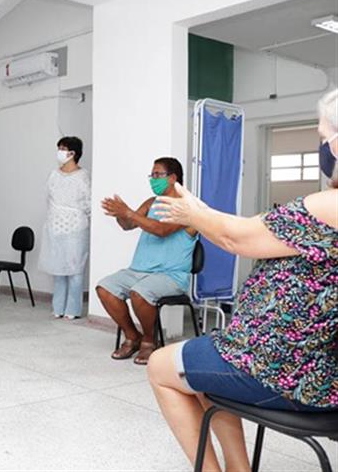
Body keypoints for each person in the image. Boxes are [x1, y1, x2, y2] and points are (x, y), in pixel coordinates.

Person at [147, 89, 338, 472]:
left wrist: (193, 214)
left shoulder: (329, 205)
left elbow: (238, 239)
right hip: (312, 361)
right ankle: (238, 468)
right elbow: (245, 230)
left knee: (160, 366)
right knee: (200, 360)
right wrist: (201, 212)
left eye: (324, 137)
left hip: (288, 369)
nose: (323, 148)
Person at [96, 157, 197, 365]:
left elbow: (161, 230)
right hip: (138, 271)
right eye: (152, 175)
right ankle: (132, 336)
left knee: (140, 292)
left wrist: (129, 213)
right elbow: (128, 225)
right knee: (105, 288)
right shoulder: (151, 203)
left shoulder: (188, 208)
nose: (153, 179)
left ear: (173, 178)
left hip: (170, 276)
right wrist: (120, 214)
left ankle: (150, 342)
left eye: (157, 174)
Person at [38, 136, 91, 320]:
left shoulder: (83, 176)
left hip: (76, 228)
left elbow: (88, 203)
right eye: (59, 148)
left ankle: (73, 310)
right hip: (55, 226)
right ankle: (58, 307)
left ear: (73, 153)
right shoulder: (54, 175)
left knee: (75, 269)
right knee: (58, 269)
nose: (59, 152)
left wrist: (75, 216)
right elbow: (48, 198)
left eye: (63, 148)